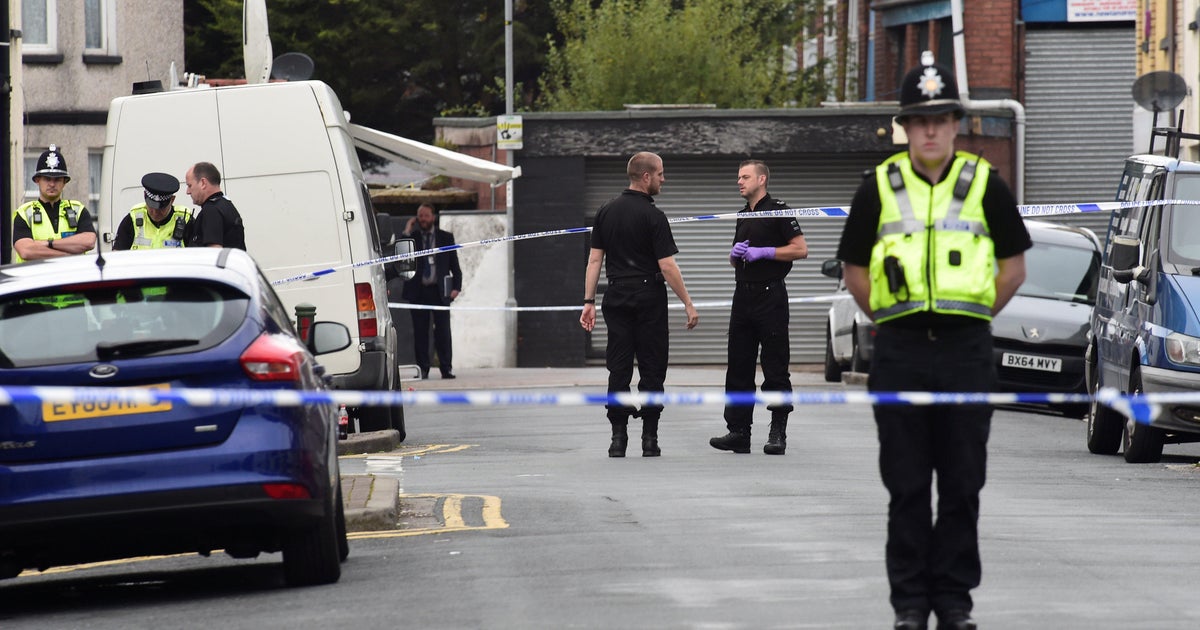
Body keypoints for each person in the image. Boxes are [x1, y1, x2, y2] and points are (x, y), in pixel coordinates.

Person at [836, 52, 1030, 630]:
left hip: (966, 350)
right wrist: (894, 320)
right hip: (900, 352)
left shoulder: (983, 185)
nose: (929, 129)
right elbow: (855, 271)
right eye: (918, 119)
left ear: (955, 124)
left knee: (964, 483)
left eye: (940, 119)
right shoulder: (878, 186)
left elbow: (1013, 268)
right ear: (904, 126)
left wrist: (969, 315)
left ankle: (954, 602)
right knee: (907, 484)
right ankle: (910, 606)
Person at [580, 151, 699, 458]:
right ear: (646, 176)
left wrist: (588, 301)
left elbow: (595, 259)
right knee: (652, 366)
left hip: (616, 296)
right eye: (660, 174)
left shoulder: (605, 211)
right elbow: (668, 266)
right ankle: (650, 438)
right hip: (649, 297)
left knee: (618, 367)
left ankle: (617, 438)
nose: (663, 179)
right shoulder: (654, 216)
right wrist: (687, 302)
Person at [709, 160, 807, 456]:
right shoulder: (741, 215)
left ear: (761, 179)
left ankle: (777, 432)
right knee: (738, 367)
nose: (739, 181)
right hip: (743, 297)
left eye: (745, 176)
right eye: (738, 177)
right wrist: (733, 254)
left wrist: (766, 252)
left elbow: (800, 249)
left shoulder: (779, 209)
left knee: (775, 366)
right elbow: (736, 259)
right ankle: (738, 432)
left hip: (770, 296)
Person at [402, 203, 462, 380]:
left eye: (426, 216)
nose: (423, 219)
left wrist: (456, 288)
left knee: (443, 332)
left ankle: (446, 368)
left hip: (439, 292)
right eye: (420, 216)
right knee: (421, 333)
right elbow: (402, 255)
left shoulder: (445, 238)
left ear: (433, 217)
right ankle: (423, 369)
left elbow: (455, 266)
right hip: (419, 292)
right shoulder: (412, 238)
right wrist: (406, 230)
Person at [12, 145, 97, 263]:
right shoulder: (25, 213)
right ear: (37, 180)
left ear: (64, 182)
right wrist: (67, 255)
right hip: (37, 280)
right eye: (47, 179)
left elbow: (89, 241)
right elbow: (26, 250)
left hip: (71, 279)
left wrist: (48, 243)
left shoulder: (78, 210)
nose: (52, 184)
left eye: (57, 179)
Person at [112, 172, 192, 250]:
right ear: (144, 195)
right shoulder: (132, 219)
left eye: (161, 208)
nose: (155, 212)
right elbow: (117, 255)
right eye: (151, 206)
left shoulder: (186, 220)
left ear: (172, 200)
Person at [184, 162, 246, 250]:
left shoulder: (211, 210)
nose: (188, 192)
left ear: (203, 183)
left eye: (190, 185)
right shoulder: (225, 205)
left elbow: (214, 253)